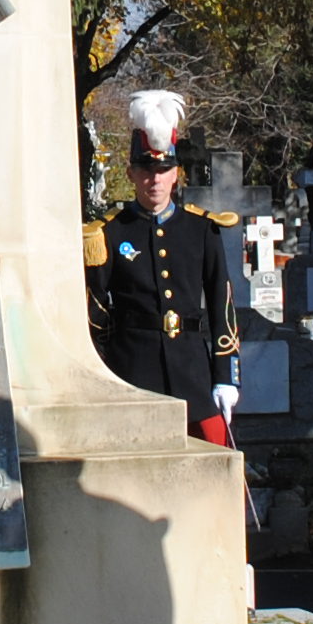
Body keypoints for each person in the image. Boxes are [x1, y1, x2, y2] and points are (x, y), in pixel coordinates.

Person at [84, 89, 240, 442]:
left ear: (176, 174)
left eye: (163, 169)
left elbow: (221, 305)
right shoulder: (110, 232)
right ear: (132, 173)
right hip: (133, 368)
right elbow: (95, 309)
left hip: (193, 370)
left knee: (218, 457)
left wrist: (226, 375)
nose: (154, 179)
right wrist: (105, 370)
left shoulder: (201, 229)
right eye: (145, 170)